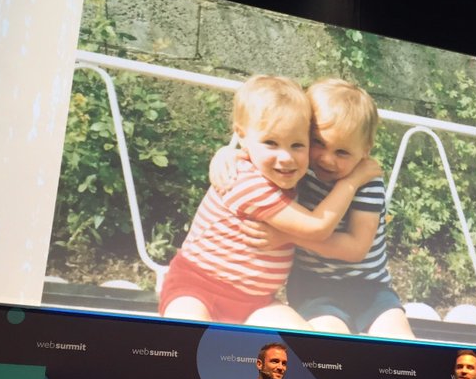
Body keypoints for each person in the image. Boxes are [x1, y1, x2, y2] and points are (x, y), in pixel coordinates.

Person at [159, 74, 379, 326]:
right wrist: (351, 181)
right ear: (242, 136)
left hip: (257, 301)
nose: (285, 157)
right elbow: (317, 227)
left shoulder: (287, 175)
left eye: (297, 145)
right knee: (188, 330)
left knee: (302, 339)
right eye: (271, 143)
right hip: (197, 287)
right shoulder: (244, 180)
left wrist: (225, 152)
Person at [217, 77, 414, 339]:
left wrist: (288, 236)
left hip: (369, 287)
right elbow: (256, 155)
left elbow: (355, 248)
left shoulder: (367, 182)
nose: (326, 158)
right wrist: (225, 155)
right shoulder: (298, 168)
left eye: (342, 152)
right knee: (331, 340)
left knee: (399, 339)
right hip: (313, 285)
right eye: (318, 142)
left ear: (365, 151)